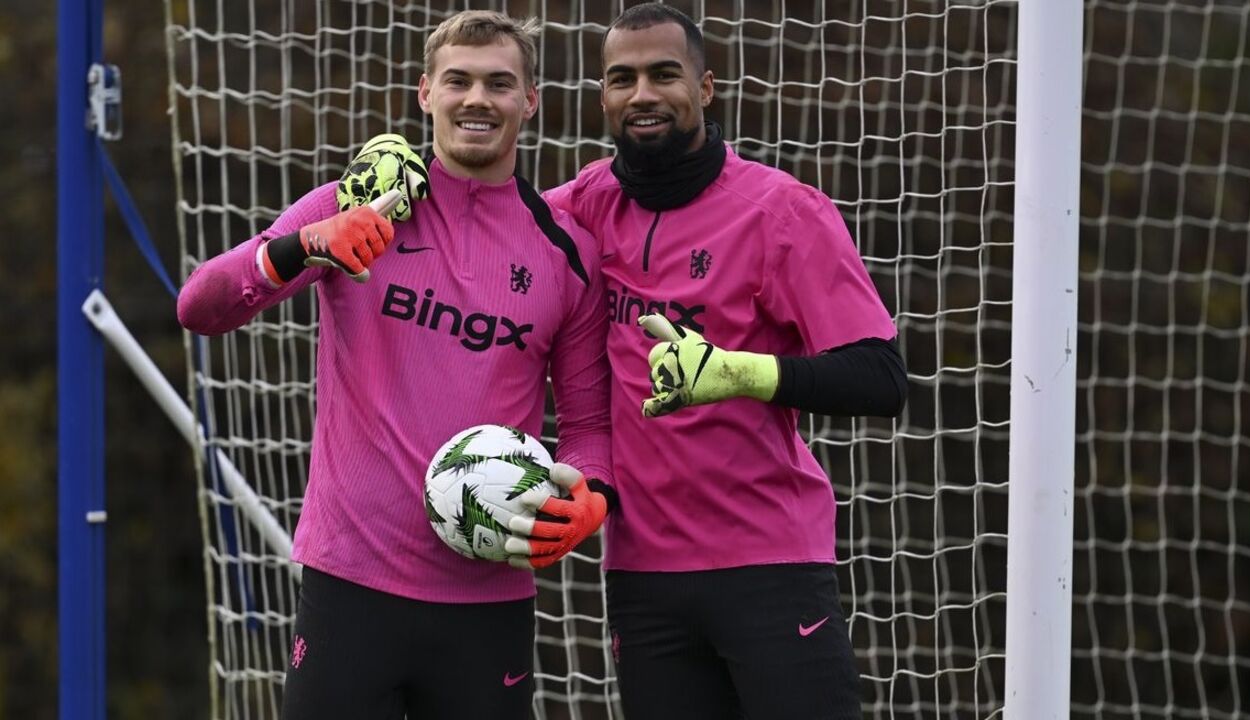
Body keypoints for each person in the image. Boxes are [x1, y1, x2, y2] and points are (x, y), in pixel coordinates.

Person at [345, 5, 908, 718]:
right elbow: (481, 224)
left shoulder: (784, 212)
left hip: (771, 565)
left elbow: (882, 377)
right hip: (643, 578)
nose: (642, 93)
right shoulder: (583, 207)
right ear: (602, 96)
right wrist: (394, 166)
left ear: (705, 88)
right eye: (622, 78)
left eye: (663, 74)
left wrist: (744, 372)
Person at [176, 10, 616, 720]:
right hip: (351, 587)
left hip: (489, 597)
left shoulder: (568, 254)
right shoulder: (361, 209)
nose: (478, 99)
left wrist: (589, 497)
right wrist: (305, 244)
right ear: (425, 93)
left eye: (499, 84)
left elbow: (591, 423)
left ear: (530, 101)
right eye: (459, 81)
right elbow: (200, 306)